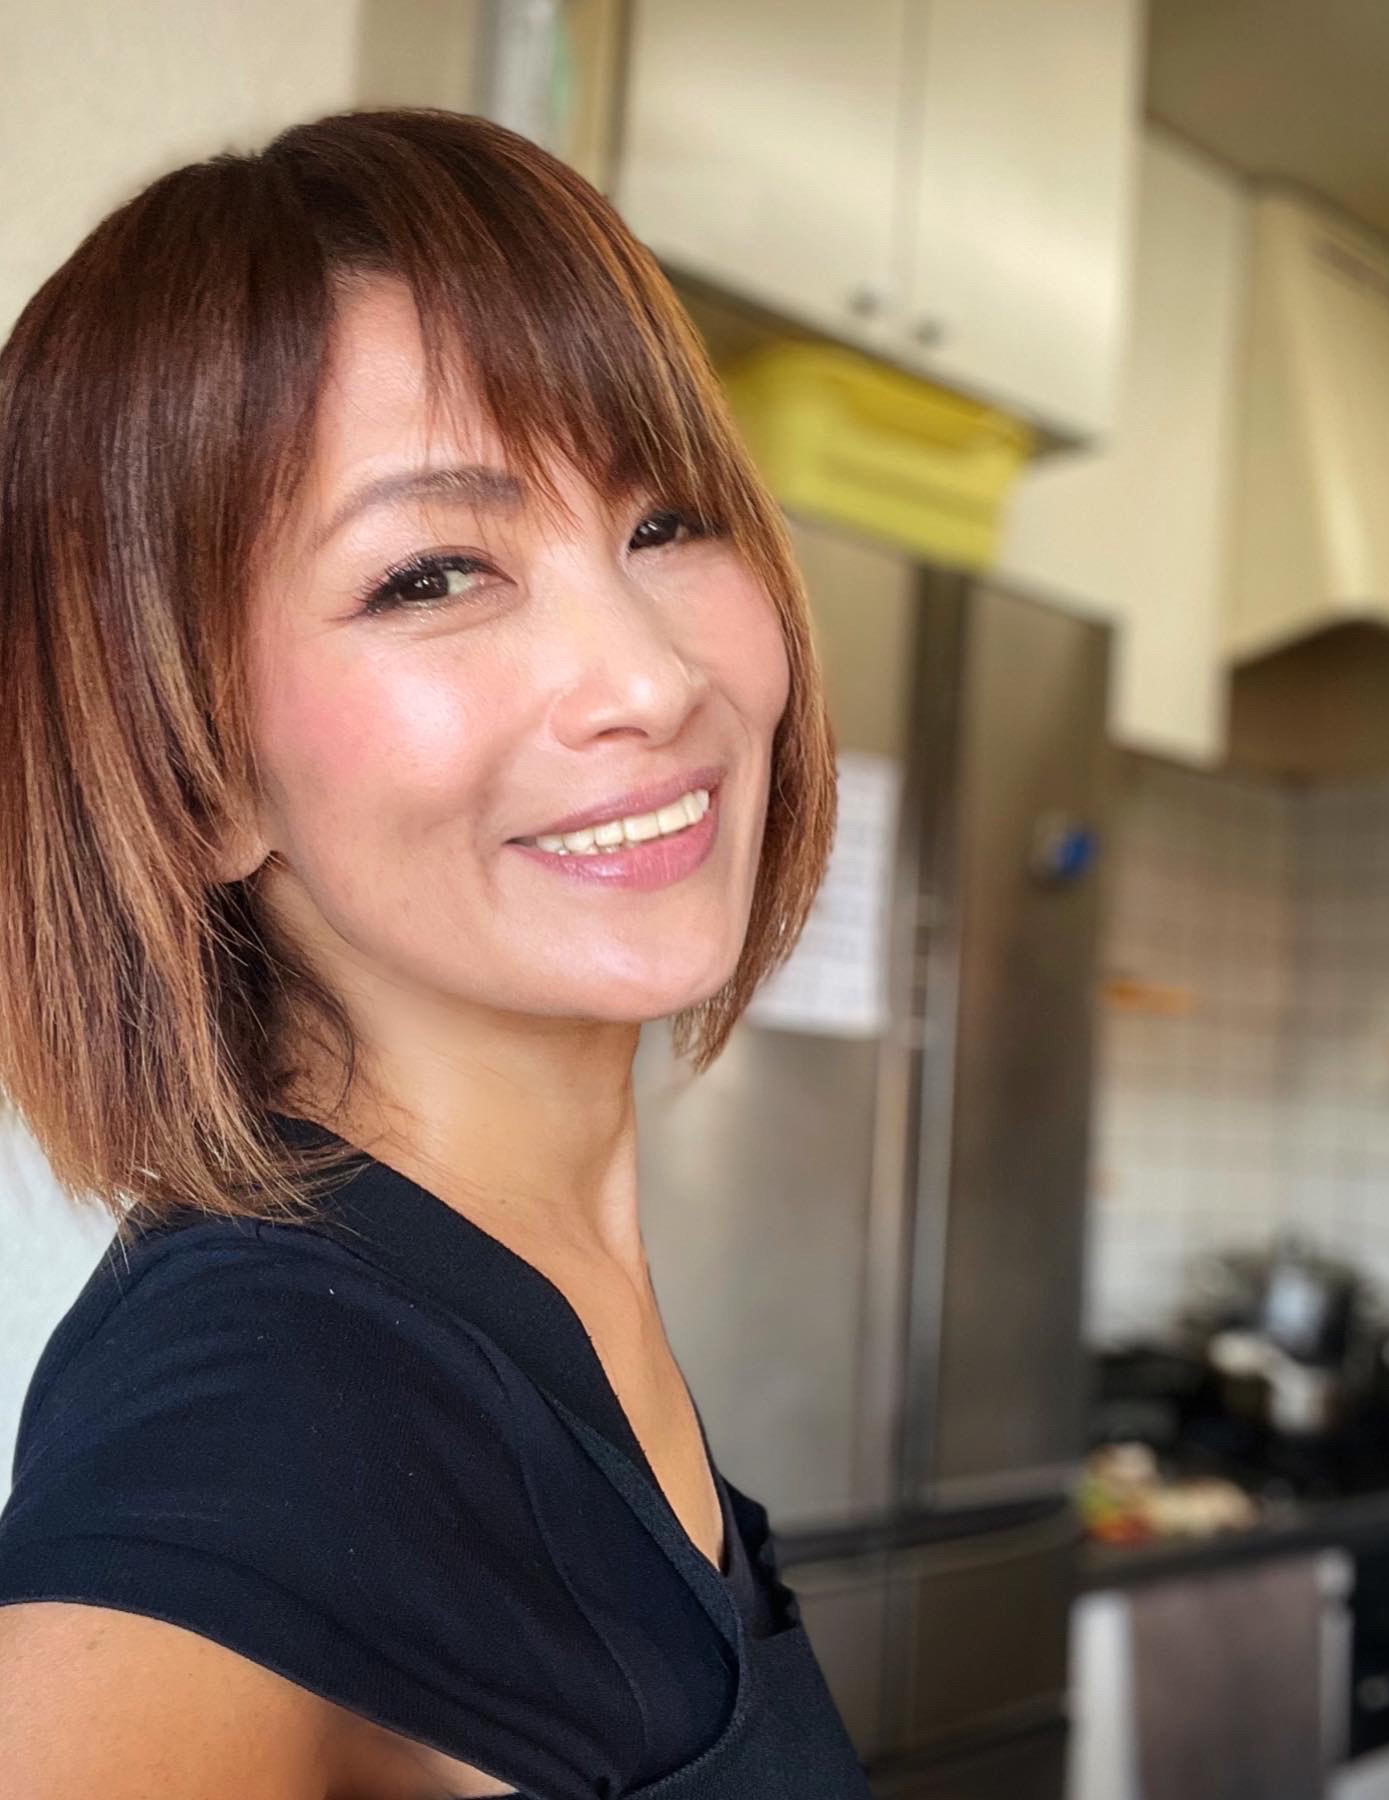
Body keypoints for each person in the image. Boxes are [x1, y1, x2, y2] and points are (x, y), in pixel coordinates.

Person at [0, 107, 873, 1799]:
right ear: (191, 772)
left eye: (667, 521)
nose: (650, 680)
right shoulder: (262, 1405)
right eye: (432, 575)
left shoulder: (528, 1283)